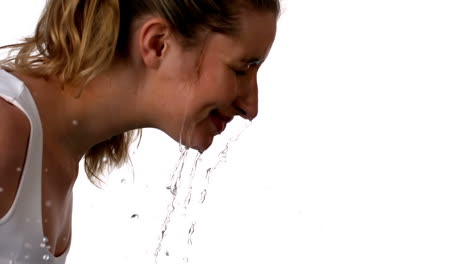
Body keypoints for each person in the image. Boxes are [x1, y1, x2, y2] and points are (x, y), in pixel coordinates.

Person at [0, 0, 279, 263]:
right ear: (158, 44)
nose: (250, 107)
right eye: (242, 69)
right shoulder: (6, 129)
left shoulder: (55, 147)